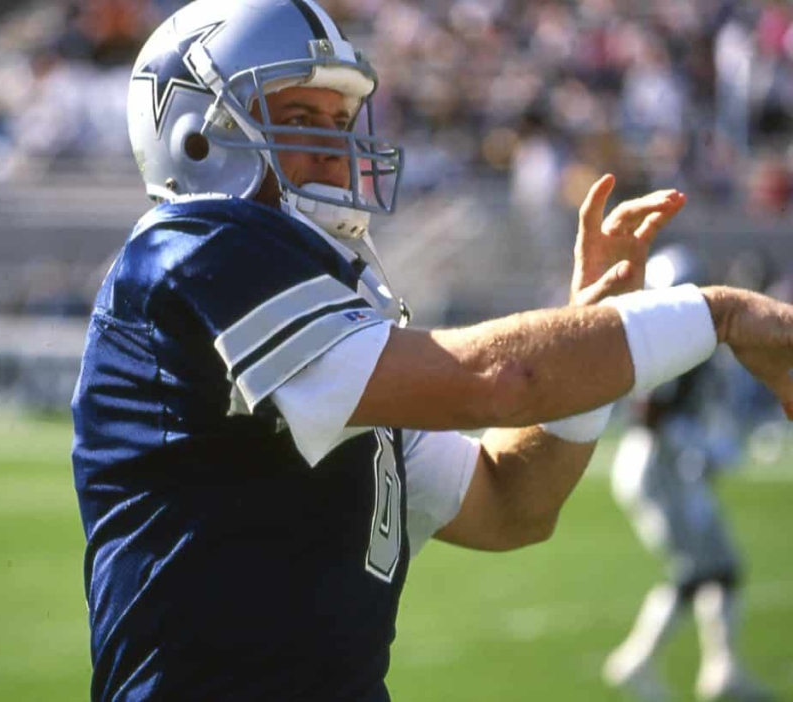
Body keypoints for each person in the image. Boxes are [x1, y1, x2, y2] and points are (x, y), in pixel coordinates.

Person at [70, 2, 793, 700]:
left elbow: (515, 502)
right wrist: (718, 314)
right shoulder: (190, 252)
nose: (335, 147)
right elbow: (496, 379)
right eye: (298, 119)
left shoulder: (335, 329)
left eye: (340, 120)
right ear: (196, 136)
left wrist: (593, 338)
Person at [603, 245, 775, 702]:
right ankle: (638, 661)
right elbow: (651, 415)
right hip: (660, 466)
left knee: (720, 568)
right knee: (699, 570)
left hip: (669, 464)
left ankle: (723, 669)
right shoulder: (666, 344)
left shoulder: (673, 340)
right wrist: (701, 447)